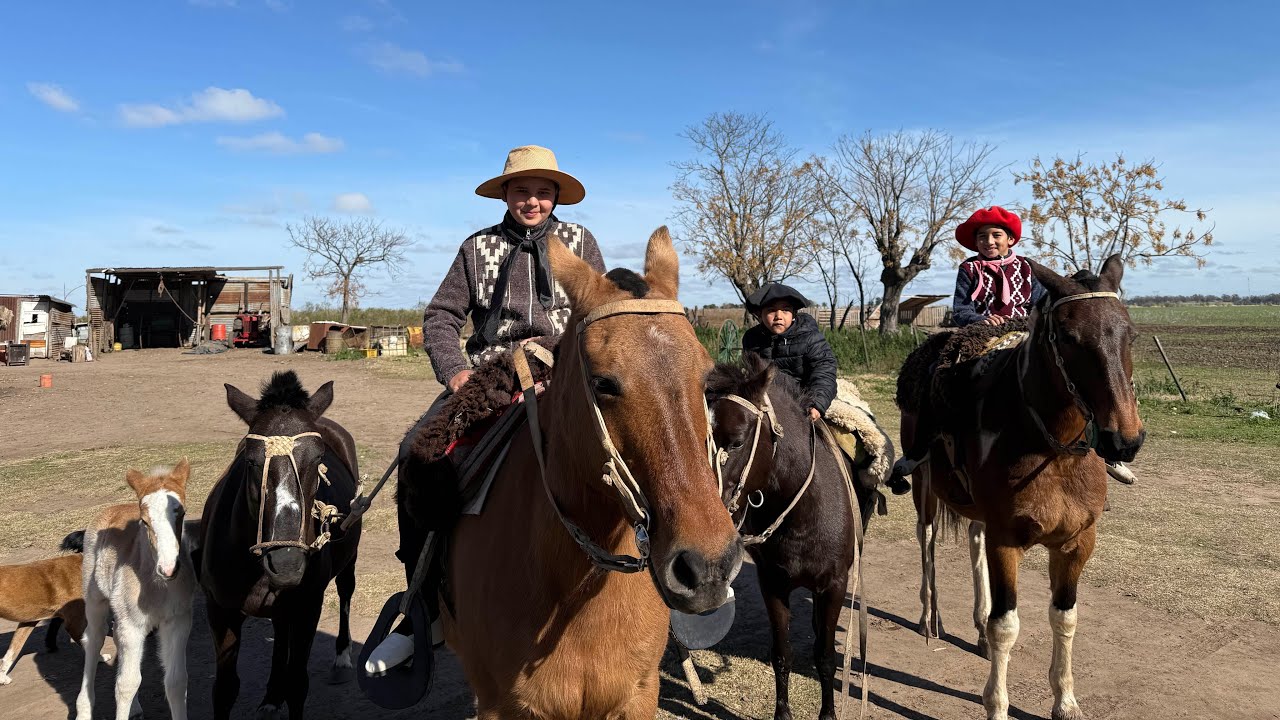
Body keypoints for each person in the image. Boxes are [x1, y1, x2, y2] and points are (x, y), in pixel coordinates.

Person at [366, 145, 605, 675]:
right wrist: (457, 374)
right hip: (491, 377)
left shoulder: (582, 243)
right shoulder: (477, 249)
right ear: (505, 194)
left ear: (556, 197)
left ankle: (667, 579)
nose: (533, 201)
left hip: (565, 375)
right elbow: (441, 317)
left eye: (543, 192)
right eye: (522, 190)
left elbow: (600, 315)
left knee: (631, 445)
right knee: (418, 454)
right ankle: (422, 608)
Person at [950, 206, 1137, 485]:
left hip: (1023, 330)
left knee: (1069, 378)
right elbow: (960, 308)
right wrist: (981, 320)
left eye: (995, 235)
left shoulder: (1026, 270)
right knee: (953, 373)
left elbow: (1041, 303)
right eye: (981, 237)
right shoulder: (969, 269)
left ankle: (1104, 453)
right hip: (982, 333)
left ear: (1010, 239)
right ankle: (942, 439)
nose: (988, 242)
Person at [741, 283, 837, 422]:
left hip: (803, 401)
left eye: (785, 310)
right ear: (760, 315)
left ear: (793, 314)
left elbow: (824, 370)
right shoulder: (751, 339)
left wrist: (817, 404)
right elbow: (751, 374)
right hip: (766, 402)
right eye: (771, 310)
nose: (778, 316)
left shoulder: (810, 337)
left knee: (841, 437)